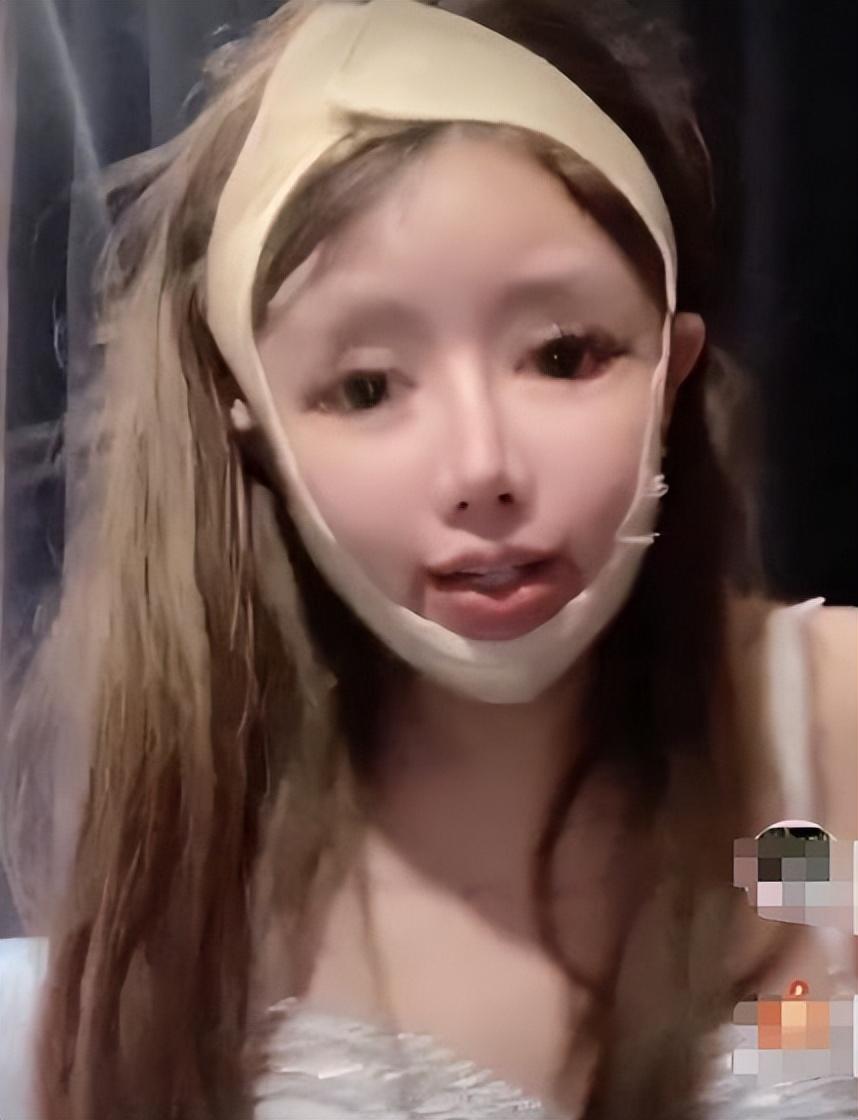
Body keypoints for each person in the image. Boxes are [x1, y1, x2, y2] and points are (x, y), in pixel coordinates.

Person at [0, 1, 855, 1118]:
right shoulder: (196, 848)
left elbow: (803, 1014)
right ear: (250, 424)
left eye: (564, 355)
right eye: (365, 388)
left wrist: (805, 997)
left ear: (672, 368)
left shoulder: (823, 736)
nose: (481, 466)